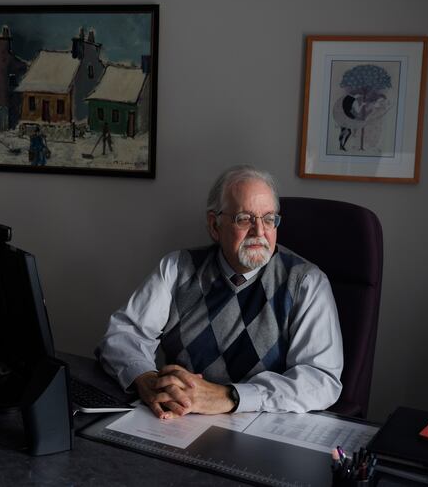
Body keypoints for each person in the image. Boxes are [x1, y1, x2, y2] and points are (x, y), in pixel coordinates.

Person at [96, 165, 343, 419]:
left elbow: (321, 380)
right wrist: (145, 378)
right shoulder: (177, 268)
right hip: (178, 419)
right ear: (215, 226)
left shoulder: (306, 283)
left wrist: (228, 396)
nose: (260, 232)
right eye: (244, 219)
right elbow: (123, 334)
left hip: (261, 424)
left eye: (269, 219)